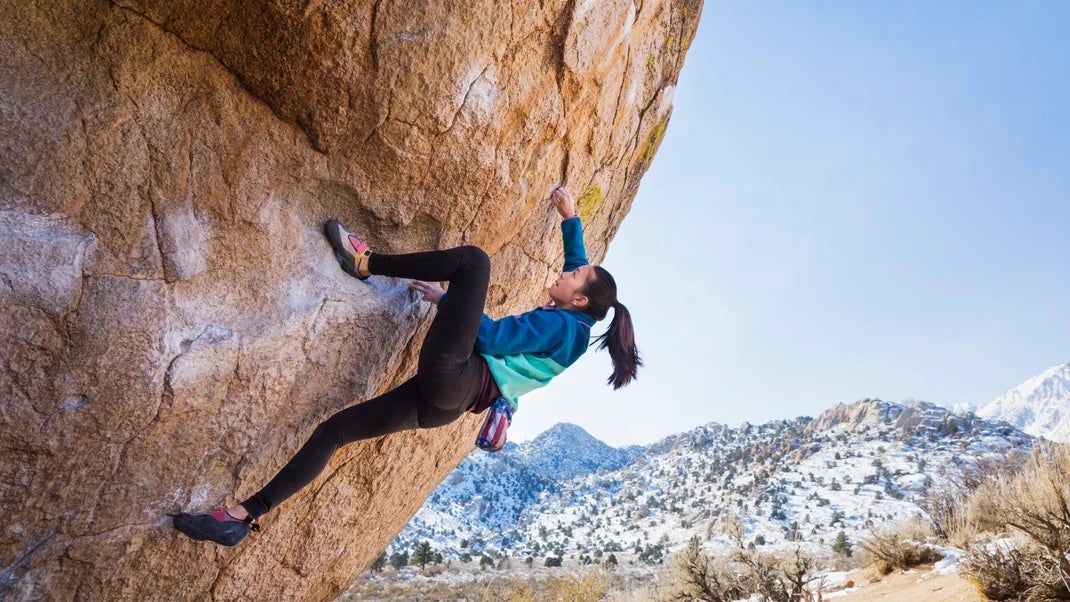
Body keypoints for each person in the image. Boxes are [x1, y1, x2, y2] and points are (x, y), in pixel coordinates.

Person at [172, 185, 641, 546]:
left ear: (579, 299)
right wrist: (571, 218)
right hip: (445, 407)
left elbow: (493, 338)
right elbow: (580, 266)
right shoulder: (577, 322)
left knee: (474, 262)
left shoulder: (562, 328)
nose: (566, 270)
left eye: (574, 276)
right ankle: (243, 516)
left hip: (459, 376)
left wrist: (451, 299)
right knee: (333, 432)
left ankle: (365, 262)